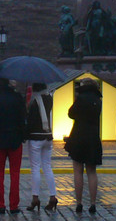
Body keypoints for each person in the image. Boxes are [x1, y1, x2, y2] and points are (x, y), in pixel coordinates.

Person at [0, 77, 26, 214]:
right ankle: (14, 205)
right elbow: (22, 118)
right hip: (15, 139)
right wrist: (22, 136)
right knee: (15, 174)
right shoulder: (17, 97)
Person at [64, 79, 102, 214]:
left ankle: (79, 203)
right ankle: (92, 203)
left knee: (78, 171)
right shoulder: (98, 99)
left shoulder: (80, 98)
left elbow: (71, 114)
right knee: (92, 172)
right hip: (93, 136)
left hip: (79, 136)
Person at [25, 82, 58, 213]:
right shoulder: (49, 98)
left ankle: (35, 198)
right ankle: (53, 196)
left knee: (35, 168)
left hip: (36, 137)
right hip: (48, 136)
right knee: (47, 167)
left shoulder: (35, 101)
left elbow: (31, 121)